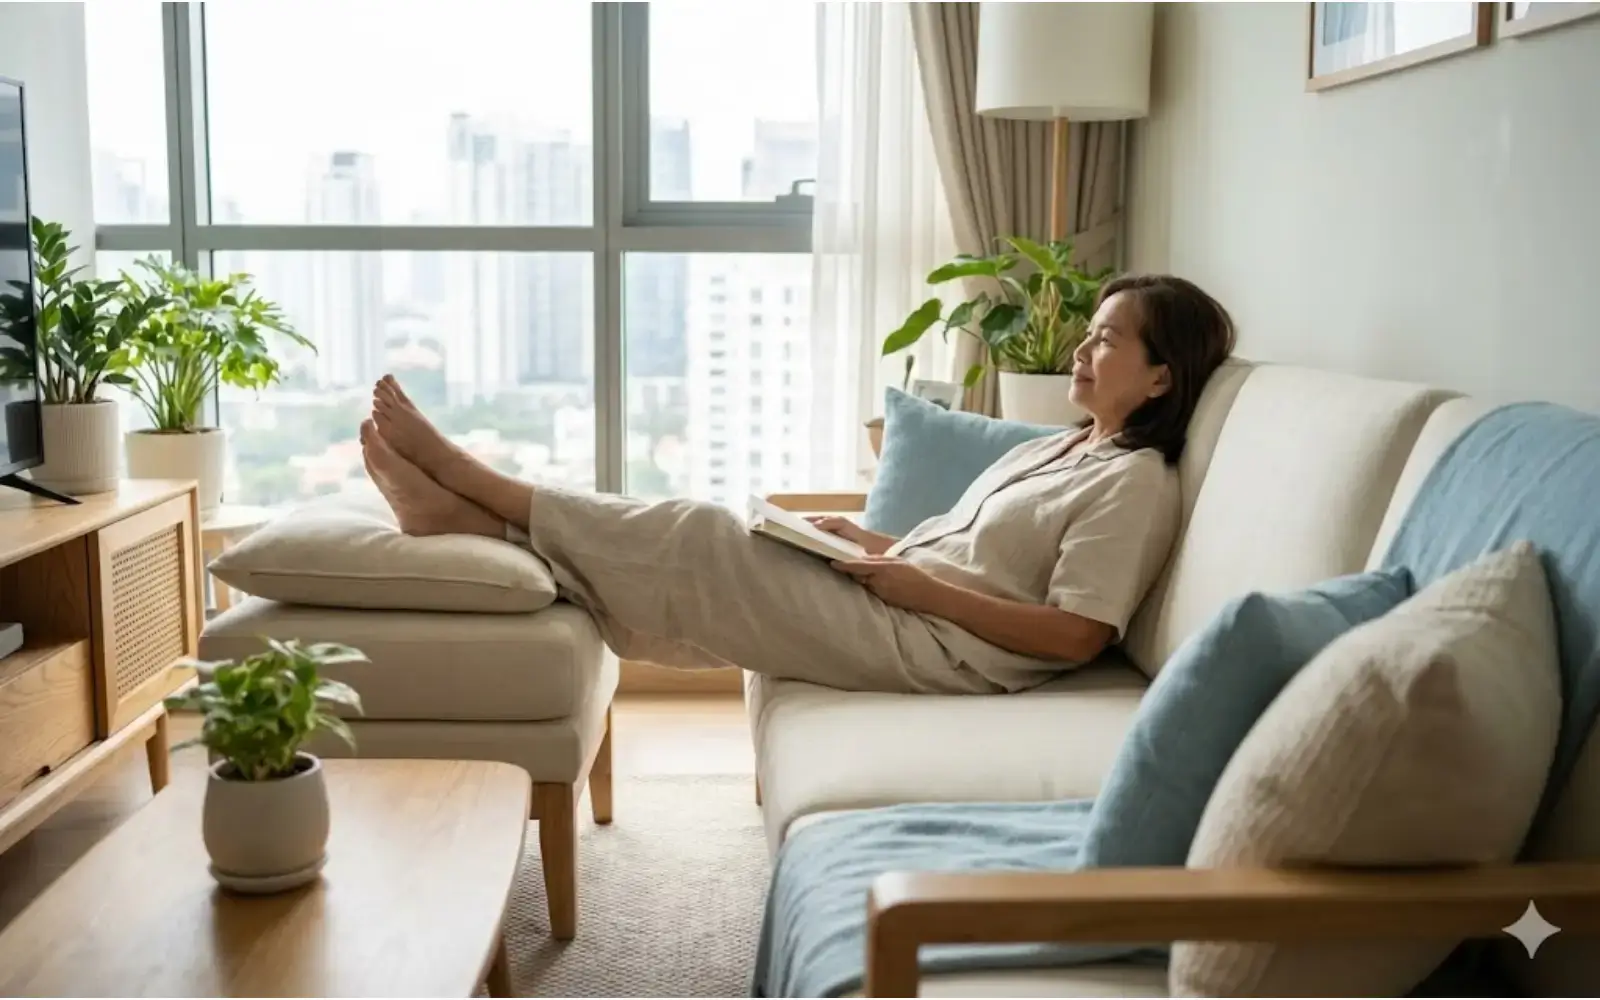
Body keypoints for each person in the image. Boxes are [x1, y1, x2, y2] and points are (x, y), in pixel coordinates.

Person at [359, 273, 1236, 695]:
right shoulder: (1063, 447)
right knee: (729, 538)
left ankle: (477, 493)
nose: (1082, 349)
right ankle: (481, 521)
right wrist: (875, 546)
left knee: (699, 535)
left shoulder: (1136, 484)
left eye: (1109, 339)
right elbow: (978, 557)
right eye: (1088, 331)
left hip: (939, 650)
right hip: (904, 598)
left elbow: (1079, 633)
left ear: (1162, 378)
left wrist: (913, 583)